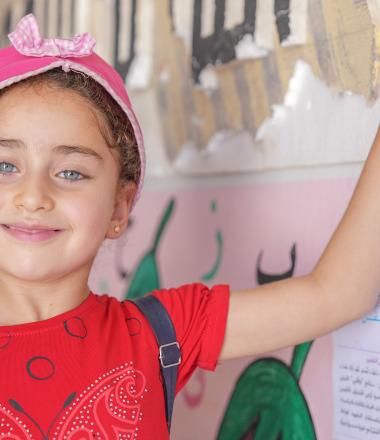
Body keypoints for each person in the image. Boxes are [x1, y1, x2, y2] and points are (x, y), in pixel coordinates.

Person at [0, 12, 378, 439]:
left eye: (70, 173)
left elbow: (337, 295)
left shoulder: (160, 333)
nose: (32, 196)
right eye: (5, 165)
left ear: (119, 209)